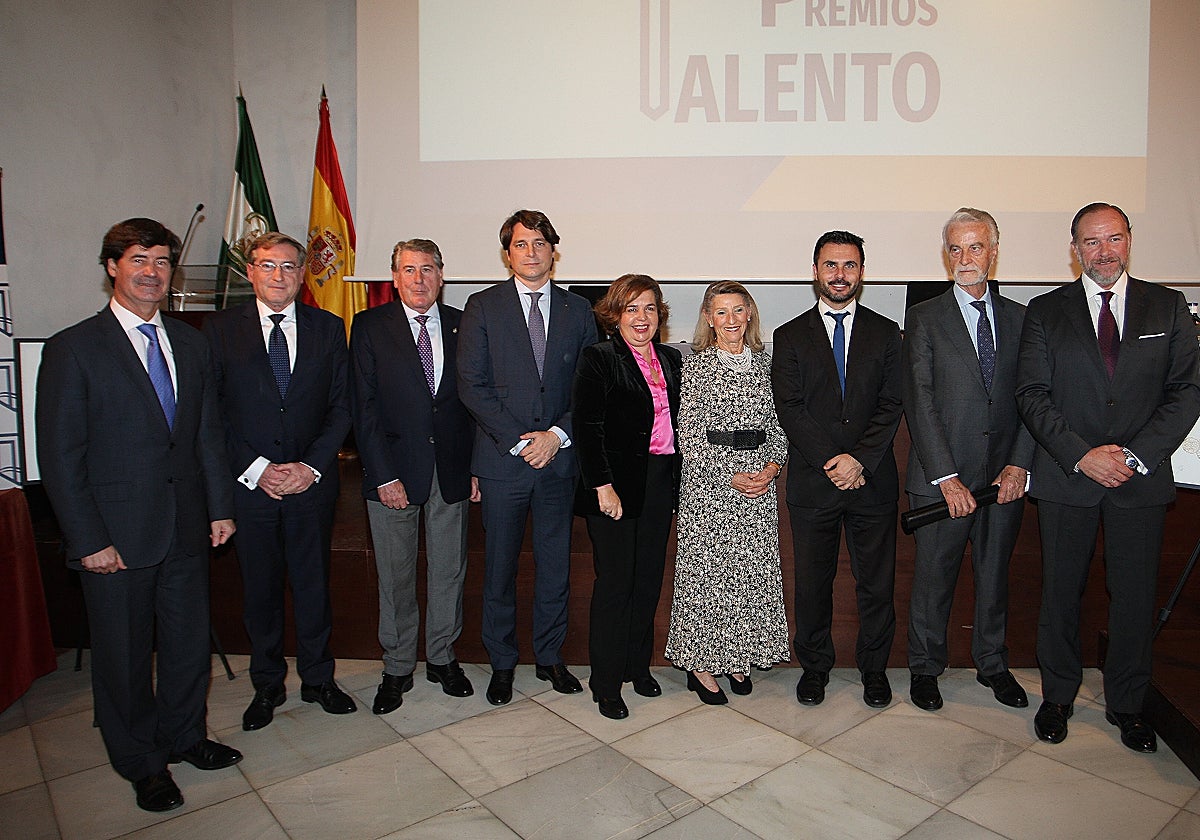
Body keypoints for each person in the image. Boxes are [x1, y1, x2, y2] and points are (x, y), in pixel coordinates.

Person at [36, 218, 240, 813]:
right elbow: (61, 456)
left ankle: (186, 736)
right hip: (114, 538)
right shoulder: (74, 348)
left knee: (185, 644)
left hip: (186, 525)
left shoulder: (191, 343)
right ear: (112, 267)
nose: (151, 272)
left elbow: (206, 435)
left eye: (160, 261)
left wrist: (220, 507)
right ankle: (141, 761)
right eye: (138, 260)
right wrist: (88, 538)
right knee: (123, 656)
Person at [1016, 202, 1200, 752]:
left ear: (1129, 240)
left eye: (1113, 239)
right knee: (1061, 594)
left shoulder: (1167, 307)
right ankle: (1058, 697)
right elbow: (1032, 394)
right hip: (1068, 477)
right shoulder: (1045, 311)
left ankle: (1127, 705)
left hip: (1139, 481)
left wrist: (1137, 456)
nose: (1103, 251)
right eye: (1091, 242)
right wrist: (1081, 455)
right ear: (1074, 249)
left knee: (1135, 596)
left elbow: (1187, 390)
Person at [203, 232, 356, 731]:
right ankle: (266, 684)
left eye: (289, 267)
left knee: (314, 585)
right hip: (251, 489)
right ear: (250, 271)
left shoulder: (329, 329)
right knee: (261, 591)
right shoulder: (218, 331)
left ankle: (318, 679)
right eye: (268, 266)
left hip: (311, 484)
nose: (278, 276)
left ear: (302, 273)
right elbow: (212, 414)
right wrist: (258, 470)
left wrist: (310, 467)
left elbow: (341, 407)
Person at [457, 209, 598, 705]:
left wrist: (557, 434)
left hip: (558, 462)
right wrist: (522, 439)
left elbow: (588, 387)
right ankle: (501, 663)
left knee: (555, 566)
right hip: (503, 462)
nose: (532, 252)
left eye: (540, 243)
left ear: (553, 252)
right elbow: (470, 386)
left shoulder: (580, 311)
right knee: (499, 568)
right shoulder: (482, 306)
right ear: (507, 252)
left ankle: (550, 657)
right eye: (521, 244)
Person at [902, 208, 1034, 712]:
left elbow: (1033, 397)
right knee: (934, 579)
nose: (964, 258)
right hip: (941, 482)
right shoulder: (924, 317)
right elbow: (920, 399)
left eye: (975, 247)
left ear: (994, 252)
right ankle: (925, 669)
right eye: (954, 248)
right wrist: (947, 476)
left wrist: (1019, 463)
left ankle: (993, 665)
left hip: (1004, 480)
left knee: (994, 576)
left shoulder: (1023, 319)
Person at [771, 230, 903, 709]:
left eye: (849, 265)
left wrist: (859, 460)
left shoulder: (888, 334)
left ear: (862, 272)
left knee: (876, 584)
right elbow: (790, 407)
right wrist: (832, 460)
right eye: (831, 265)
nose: (840, 274)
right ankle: (814, 667)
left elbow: (891, 404)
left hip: (872, 483)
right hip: (814, 482)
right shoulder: (788, 336)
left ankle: (873, 670)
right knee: (812, 584)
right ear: (815, 271)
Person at [350, 238, 479, 714]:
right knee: (396, 575)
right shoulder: (369, 327)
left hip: (451, 474)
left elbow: (471, 404)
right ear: (395, 277)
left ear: (441, 275)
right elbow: (361, 409)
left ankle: (443, 658)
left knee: (448, 572)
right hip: (392, 477)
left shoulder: (463, 324)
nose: (419, 279)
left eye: (428, 269)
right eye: (409, 270)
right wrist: (382, 474)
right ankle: (398, 665)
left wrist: (473, 469)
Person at [665, 281, 790, 705]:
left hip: (758, 487)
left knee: (748, 578)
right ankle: (700, 664)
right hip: (710, 489)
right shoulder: (695, 366)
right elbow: (689, 436)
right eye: (721, 312)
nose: (731, 319)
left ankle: (738, 654)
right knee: (708, 579)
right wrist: (729, 473)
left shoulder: (764, 364)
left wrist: (772, 466)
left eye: (739, 310)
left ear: (750, 314)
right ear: (708, 318)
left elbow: (777, 426)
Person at [573, 274, 682, 720]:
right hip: (614, 487)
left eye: (650, 308)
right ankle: (606, 681)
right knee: (615, 585)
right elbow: (587, 427)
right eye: (632, 308)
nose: (642, 318)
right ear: (615, 314)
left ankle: (638, 667)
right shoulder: (598, 358)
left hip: (660, 483)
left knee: (647, 580)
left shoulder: (673, 359)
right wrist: (602, 486)